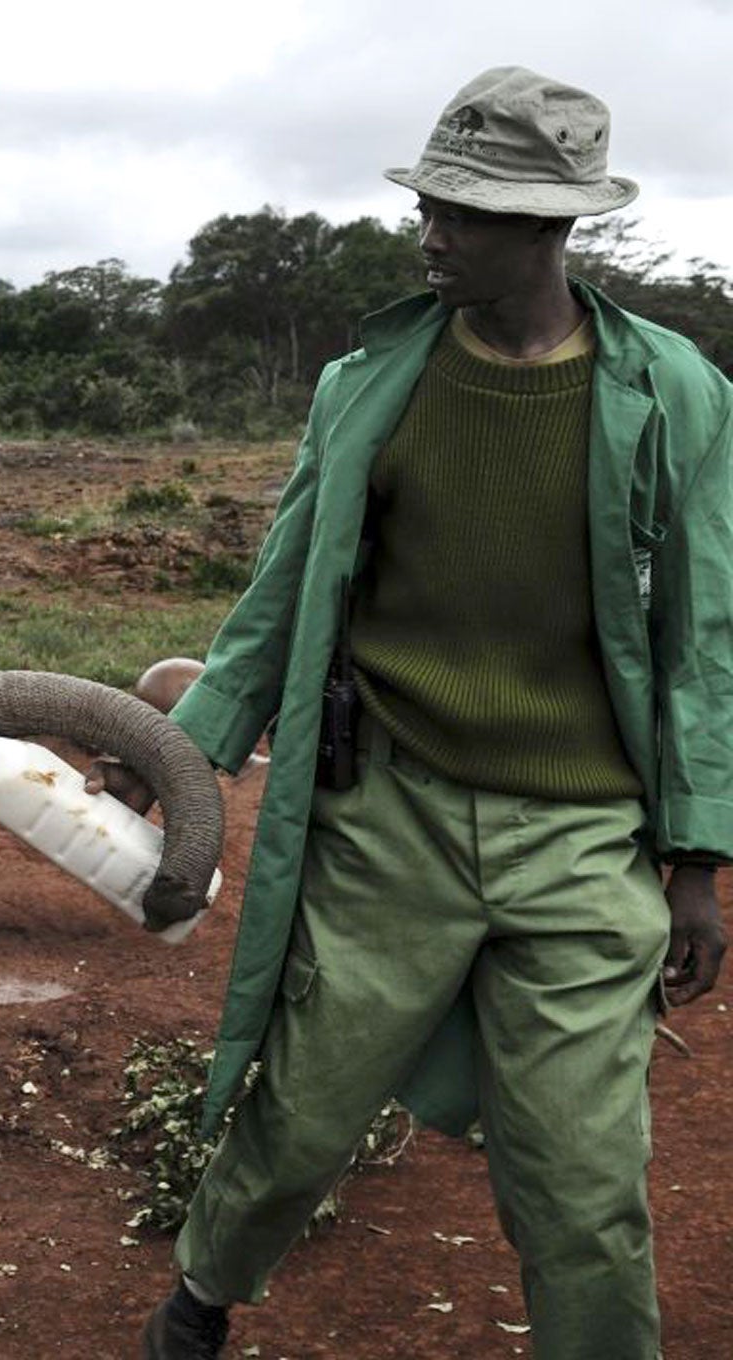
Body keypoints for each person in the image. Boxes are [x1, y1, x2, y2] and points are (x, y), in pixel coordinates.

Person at [99, 66, 731, 1360]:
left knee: (584, 1186)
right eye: (431, 202)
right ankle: (200, 1300)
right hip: (391, 817)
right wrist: (174, 752)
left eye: (471, 211)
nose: (434, 231)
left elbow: (701, 640)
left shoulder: (673, 396)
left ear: (556, 227)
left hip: (585, 844)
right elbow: (279, 599)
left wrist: (698, 859)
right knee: (303, 1120)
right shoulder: (369, 386)